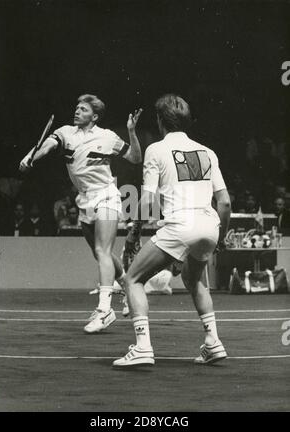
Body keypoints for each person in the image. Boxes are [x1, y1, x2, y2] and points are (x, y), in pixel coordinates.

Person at [113, 94, 231, 367]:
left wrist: (134, 233)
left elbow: (147, 199)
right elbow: (224, 202)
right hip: (209, 225)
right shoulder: (207, 152)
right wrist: (220, 238)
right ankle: (213, 342)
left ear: (159, 121)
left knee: (133, 280)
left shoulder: (155, 149)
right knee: (194, 279)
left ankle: (142, 347)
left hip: (180, 225)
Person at [19, 94, 142, 332]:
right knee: (100, 254)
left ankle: (105, 310)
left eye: (83, 109)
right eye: (77, 108)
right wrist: (30, 155)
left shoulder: (108, 137)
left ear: (94, 116)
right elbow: (48, 144)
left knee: (102, 250)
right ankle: (128, 286)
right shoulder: (66, 132)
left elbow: (136, 158)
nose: (77, 112)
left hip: (106, 194)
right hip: (84, 199)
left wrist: (132, 132)